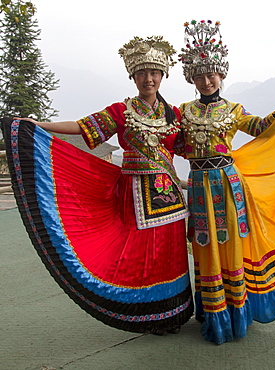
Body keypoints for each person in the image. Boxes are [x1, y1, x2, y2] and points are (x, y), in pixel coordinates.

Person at [0, 35, 194, 335]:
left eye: (154, 72)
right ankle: (147, 312)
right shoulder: (121, 111)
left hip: (169, 195)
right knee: (142, 254)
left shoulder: (175, 115)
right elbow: (82, 126)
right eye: (142, 73)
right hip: (133, 195)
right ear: (133, 76)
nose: (148, 79)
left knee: (171, 251)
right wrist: (39, 125)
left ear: (162, 75)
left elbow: (189, 147)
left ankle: (174, 313)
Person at [178, 20, 275, 344]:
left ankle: (233, 317)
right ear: (191, 78)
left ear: (221, 74)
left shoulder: (233, 110)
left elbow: (261, 126)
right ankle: (212, 314)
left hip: (228, 186)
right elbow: (171, 141)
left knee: (231, 245)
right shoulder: (184, 112)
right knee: (204, 247)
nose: (206, 81)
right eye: (200, 75)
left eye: (212, 74)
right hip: (198, 188)